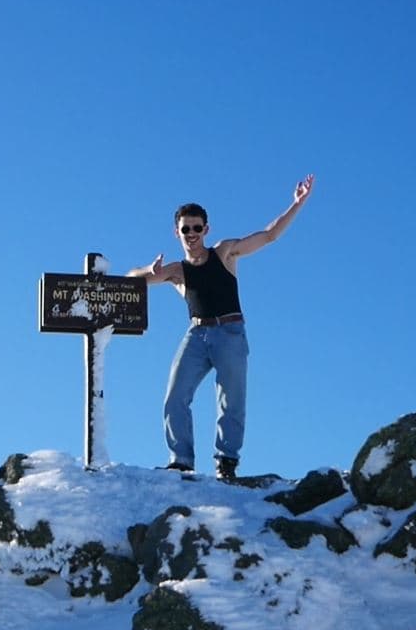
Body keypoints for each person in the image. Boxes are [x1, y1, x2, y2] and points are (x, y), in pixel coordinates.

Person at [127, 175, 314, 481]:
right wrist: (149, 270)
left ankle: (226, 461)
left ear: (206, 230)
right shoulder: (176, 272)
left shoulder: (224, 252)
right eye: (185, 229)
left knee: (231, 399)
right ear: (177, 232)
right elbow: (131, 279)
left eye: (197, 228)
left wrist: (297, 203)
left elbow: (269, 235)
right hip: (196, 335)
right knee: (175, 396)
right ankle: (181, 461)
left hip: (230, 332)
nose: (191, 234)